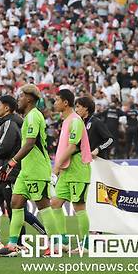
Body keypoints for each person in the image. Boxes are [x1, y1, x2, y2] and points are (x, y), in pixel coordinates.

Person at [0, 84, 58, 257]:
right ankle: (13, 245)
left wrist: (12, 162)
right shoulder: (29, 116)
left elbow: (30, 144)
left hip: (37, 169)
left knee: (43, 205)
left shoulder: (33, 117)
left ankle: (54, 244)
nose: (18, 100)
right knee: (15, 203)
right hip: (27, 170)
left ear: (29, 98)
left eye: (21, 96)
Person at [0, 95, 46, 253]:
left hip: (8, 172)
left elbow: (5, 148)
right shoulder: (10, 122)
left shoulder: (10, 123)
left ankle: (22, 241)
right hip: (3, 172)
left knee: (16, 208)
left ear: (6, 108)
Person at [50, 89, 92, 253]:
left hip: (78, 171)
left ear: (65, 102)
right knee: (55, 203)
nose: (55, 103)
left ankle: (85, 245)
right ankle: (64, 241)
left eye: (56, 100)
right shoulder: (68, 120)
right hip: (67, 172)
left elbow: (73, 147)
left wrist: (57, 165)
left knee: (79, 207)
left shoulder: (75, 120)